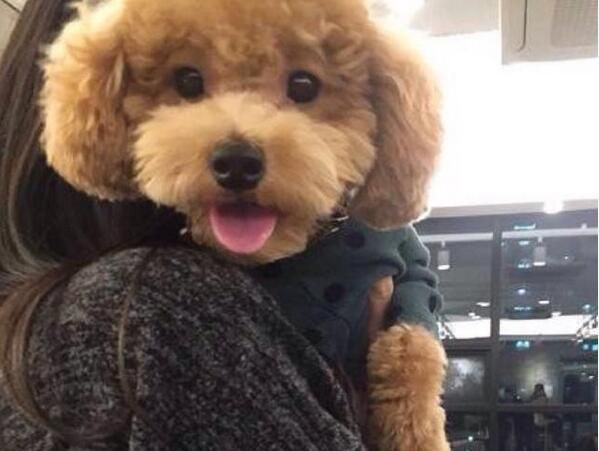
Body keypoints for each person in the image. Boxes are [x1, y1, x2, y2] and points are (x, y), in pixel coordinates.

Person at [0, 0, 442, 449]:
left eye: (302, 86)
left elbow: (412, 292)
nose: (239, 140)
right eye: (190, 83)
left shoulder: (66, 327)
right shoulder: (165, 311)